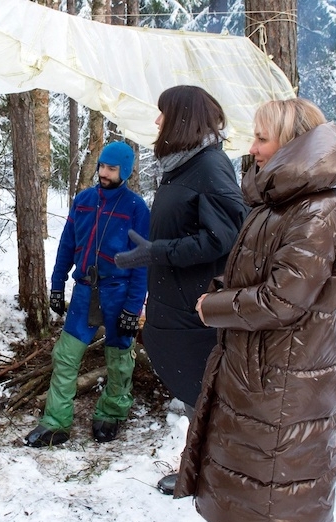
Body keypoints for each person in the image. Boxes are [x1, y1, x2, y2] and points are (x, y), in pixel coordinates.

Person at [173, 98, 336, 522]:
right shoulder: (280, 204)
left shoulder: (316, 213)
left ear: (292, 145)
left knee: (271, 508)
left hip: (284, 391)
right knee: (251, 505)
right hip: (262, 380)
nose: (251, 148)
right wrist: (220, 294)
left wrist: (214, 308)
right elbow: (257, 275)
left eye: (261, 138)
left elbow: (280, 300)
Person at [113, 86, 248, 492]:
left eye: (163, 114)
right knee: (196, 395)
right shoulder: (184, 165)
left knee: (206, 395)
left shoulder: (209, 166)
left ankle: (218, 480)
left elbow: (225, 237)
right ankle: (201, 473)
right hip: (176, 300)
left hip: (197, 306)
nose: (157, 122)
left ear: (183, 118)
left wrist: (160, 251)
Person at [24, 141, 150, 447]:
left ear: (126, 171)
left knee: (120, 358)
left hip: (118, 291)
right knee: (66, 356)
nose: (104, 173)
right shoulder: (83, 200)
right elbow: (67, 245)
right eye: (102, 166)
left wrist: (133, 308)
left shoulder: (136, 209)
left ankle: (112, 413)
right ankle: (56, 422)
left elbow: (143, 263)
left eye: (112, 168)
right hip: (84, 291)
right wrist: (56, 285)